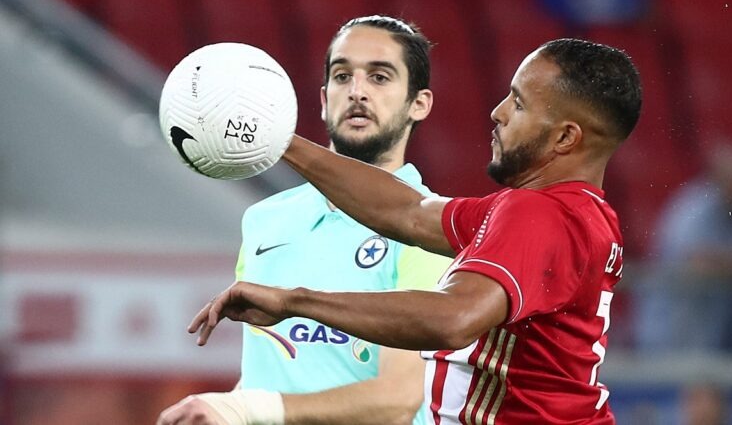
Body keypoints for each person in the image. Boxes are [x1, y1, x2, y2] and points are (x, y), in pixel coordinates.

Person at [189, 38, 642, 424]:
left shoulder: (539, 214)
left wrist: (295, 303)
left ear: (565, 138)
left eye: (518, 103)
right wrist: (281, 142)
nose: (498, 112)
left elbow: (454, 319)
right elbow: (407, 211)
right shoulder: (579, 213)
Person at [157, 15, 453, 425]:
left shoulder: (434, 232)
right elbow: (272, 374)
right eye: (342, 76)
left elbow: (397, 400)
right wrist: (222, 412)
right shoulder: (264, 221)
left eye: (380, 77)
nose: (357, 91)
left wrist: (248, 409)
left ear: (419, 103)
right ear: (323, 98)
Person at [636, 142, 732, 353]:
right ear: (717, 180)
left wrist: (724, 262)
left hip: (731, 338)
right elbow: (696, 263)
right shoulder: (690, 208)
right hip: (674, 337)